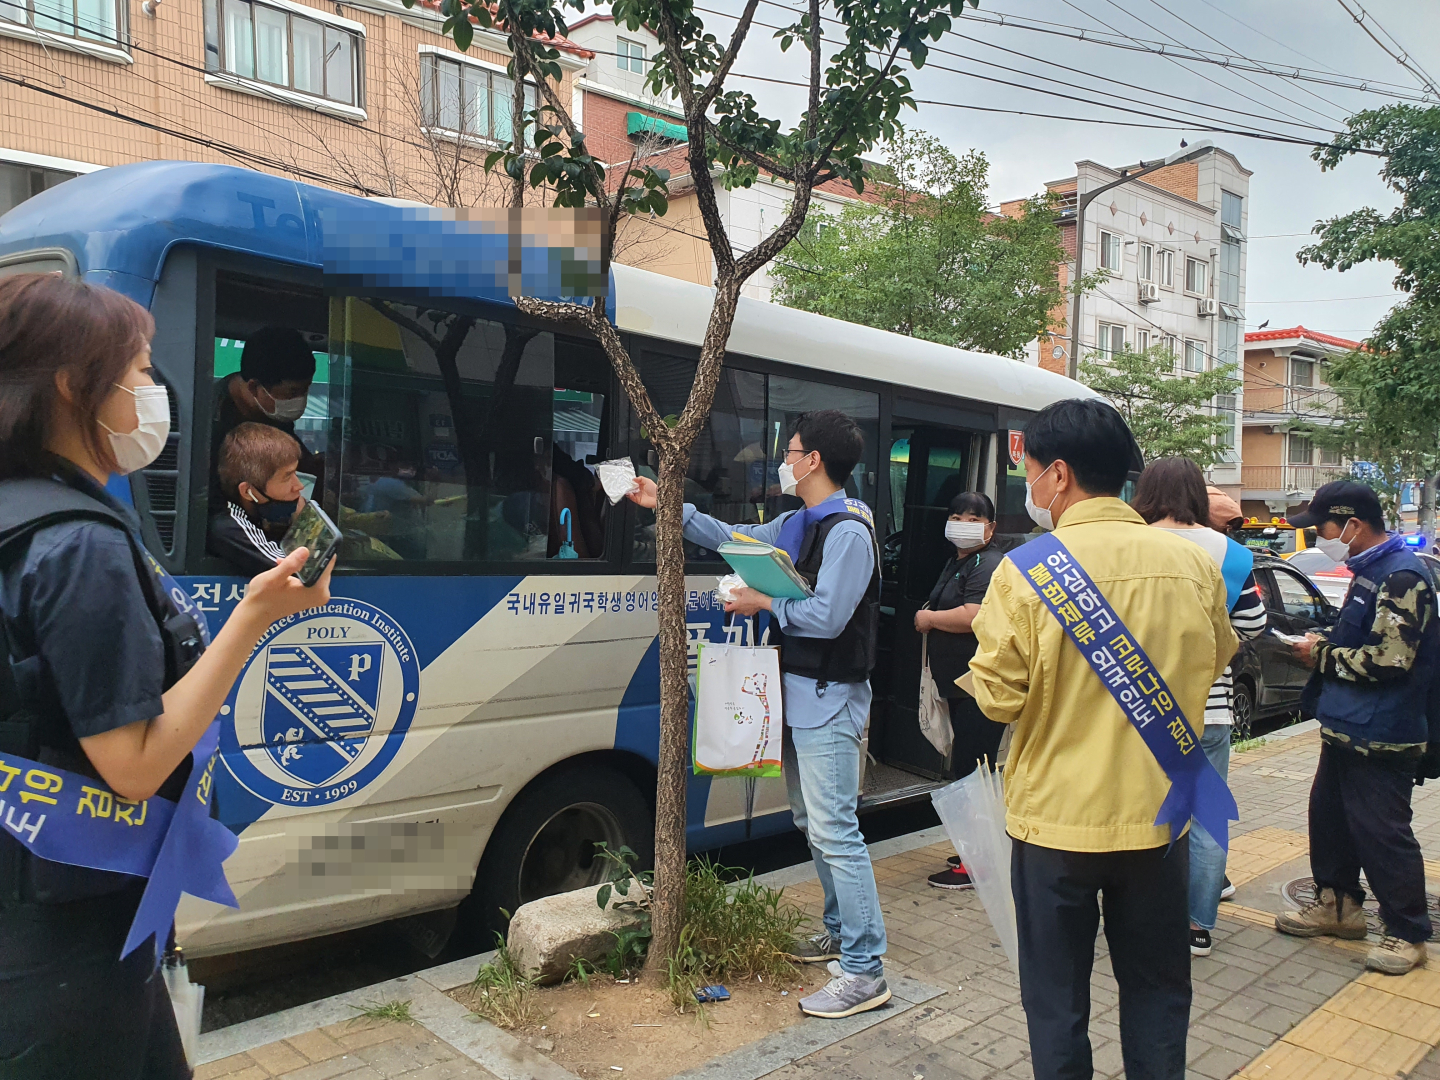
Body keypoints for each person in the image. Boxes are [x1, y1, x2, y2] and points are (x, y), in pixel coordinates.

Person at [0, 272, 333, 1078]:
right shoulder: (80, 544)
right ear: (78, 385)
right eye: (143, 369)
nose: (156, 392)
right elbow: (134, 763)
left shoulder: (21, 508)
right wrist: (257, 615)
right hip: (68, 935)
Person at [969, 399, 1238, 1080]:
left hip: (1055, 826)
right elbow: (1211, 662)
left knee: (1057, 1004)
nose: (1028, 485)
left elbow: (999, 701)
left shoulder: (1024, 570)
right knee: (1158, 992)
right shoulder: (1194, 566)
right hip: (1160, 822)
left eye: (1029, 470)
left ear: (1057, 475)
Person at [627, 409, 888, 1020]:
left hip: (829, 700)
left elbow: (827, 617)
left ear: (813, 461)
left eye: (790, 450)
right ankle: (838, 934)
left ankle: (866, 967)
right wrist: (665, 500)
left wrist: (761, 599)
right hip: (797, 693)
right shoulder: (802, 523)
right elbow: (734, 536)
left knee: (835, 830)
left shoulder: (848, 532)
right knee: (811, 820)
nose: (784, 460)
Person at [1277, 481, 1439, 975]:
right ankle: (1338, 906)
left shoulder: (1402, 576)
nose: (1320, 536)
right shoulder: (1372, 571)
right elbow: (1365, 638)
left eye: (1322, 527)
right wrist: (1325, 640)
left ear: (1353, 524)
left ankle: (1407, 932)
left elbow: (1391, 659)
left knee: (1382, 833)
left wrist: (1317, 654)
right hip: (1348, 725)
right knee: (1329, 820)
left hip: (1383, 733)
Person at [1133, 458, 1267, 957]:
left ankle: (1141, 913)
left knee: (1144, 812)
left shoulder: (1131, 544)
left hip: (1140, 706)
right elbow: (1252, 626)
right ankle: (1196, 926)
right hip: (1209, 708)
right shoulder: (1231, 554)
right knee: (1207, 817)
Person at [914, 492, 1008, 890]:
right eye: (956, 516)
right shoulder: (960, 561)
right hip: (961, 686)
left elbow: (974, 616)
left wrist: (929, 618)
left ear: (990, 527)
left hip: (979, 688)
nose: (963, 524)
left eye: (973, 518)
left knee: (974, 772)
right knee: (969, 769)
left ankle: (976, 865)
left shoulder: (988, 564)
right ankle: (975, 851)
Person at [209, 326, 320, 506]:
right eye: (292, 392)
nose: (299, 400)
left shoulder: (275, 415)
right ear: (254, 387)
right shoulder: (207, 420)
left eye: (305, 390)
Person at [207, 421, 306, 575]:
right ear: (247, 491)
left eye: (295, 473)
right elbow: (295, 571)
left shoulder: (256, 511)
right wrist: (304, 526)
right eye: (287, 477)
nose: (299, 486)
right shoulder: (229, 527)